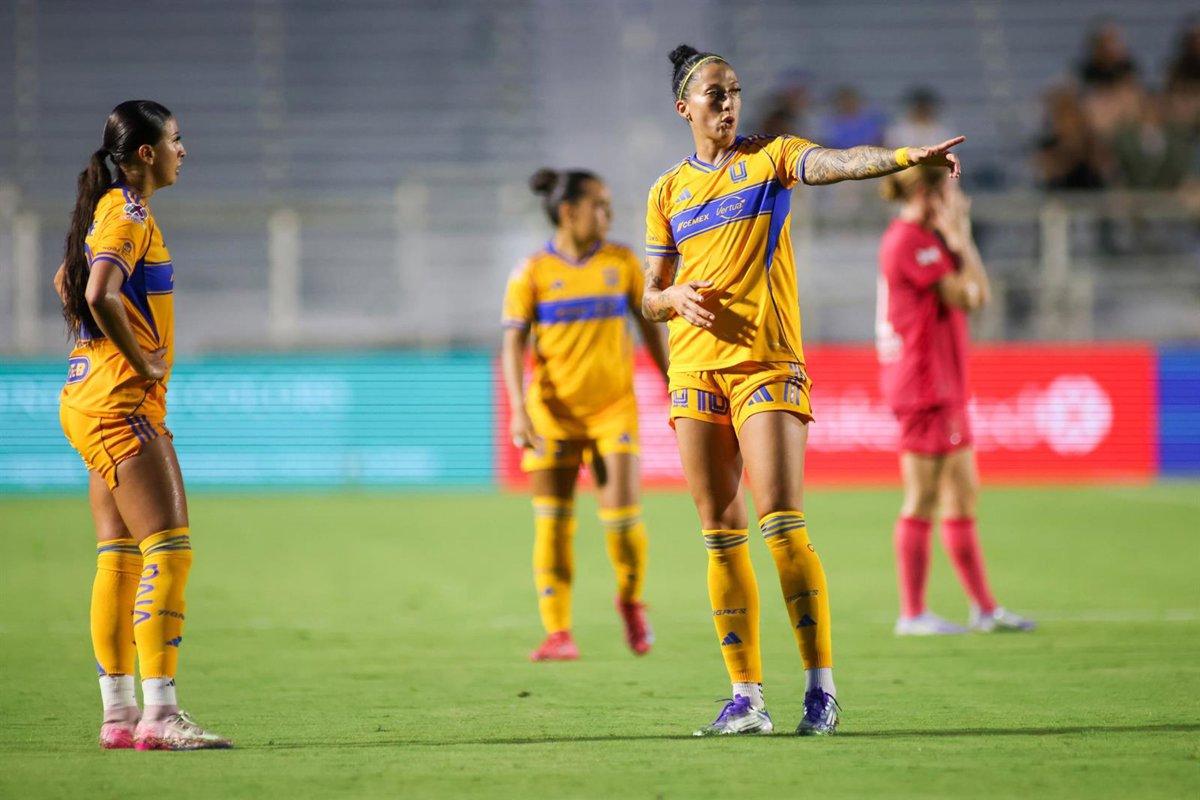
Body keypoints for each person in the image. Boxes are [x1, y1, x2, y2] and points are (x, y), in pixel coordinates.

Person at [642, 44, 964, 736]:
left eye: (734, 90)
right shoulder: (666, 191)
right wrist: (671, 298)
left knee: (782, 524)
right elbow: (649, 296)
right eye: (714, 93)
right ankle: (746, 699)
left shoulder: (772, 157)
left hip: (766, 364)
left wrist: (902, 157)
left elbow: (837, 164)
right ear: (683, 107)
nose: (728, 102)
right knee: (719, 535)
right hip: (694, 371)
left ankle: (821, 690)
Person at [55, 101, 231, 750]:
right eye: (176, 140)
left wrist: (102, 350)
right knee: (169, 549)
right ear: (147, 153)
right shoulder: (128, 213)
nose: (184, 150)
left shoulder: (107, 209)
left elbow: (69, 282)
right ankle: (160, 714)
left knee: (120, 555)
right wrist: (141, 358)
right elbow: (97, 292)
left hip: (88, 399)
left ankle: (119, 715)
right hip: (121, 405)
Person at [502, 168, 670, 662]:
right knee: (553, 525)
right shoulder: (531, 272)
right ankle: (558, 632)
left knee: (623, 520)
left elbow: (650, 328)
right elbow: (512, 344)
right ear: (569, 211)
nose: (608, 213)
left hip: (612, 411)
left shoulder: (622, 262)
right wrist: (518, 409)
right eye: (600, 204)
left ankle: (631, 601)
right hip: (552, 415)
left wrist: (672, 381)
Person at [876, 166, 1036, 637]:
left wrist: (961, 240)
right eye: (952, 189)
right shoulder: (908, 241)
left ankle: (984, 609)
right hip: (924, 388)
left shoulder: (932, 239)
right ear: (928, 193)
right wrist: (961, 237)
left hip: (947, 387)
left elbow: (979, 295)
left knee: (963, 495)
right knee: (923, 498)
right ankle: (912, 613)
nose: (959, 198)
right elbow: (964, 296)